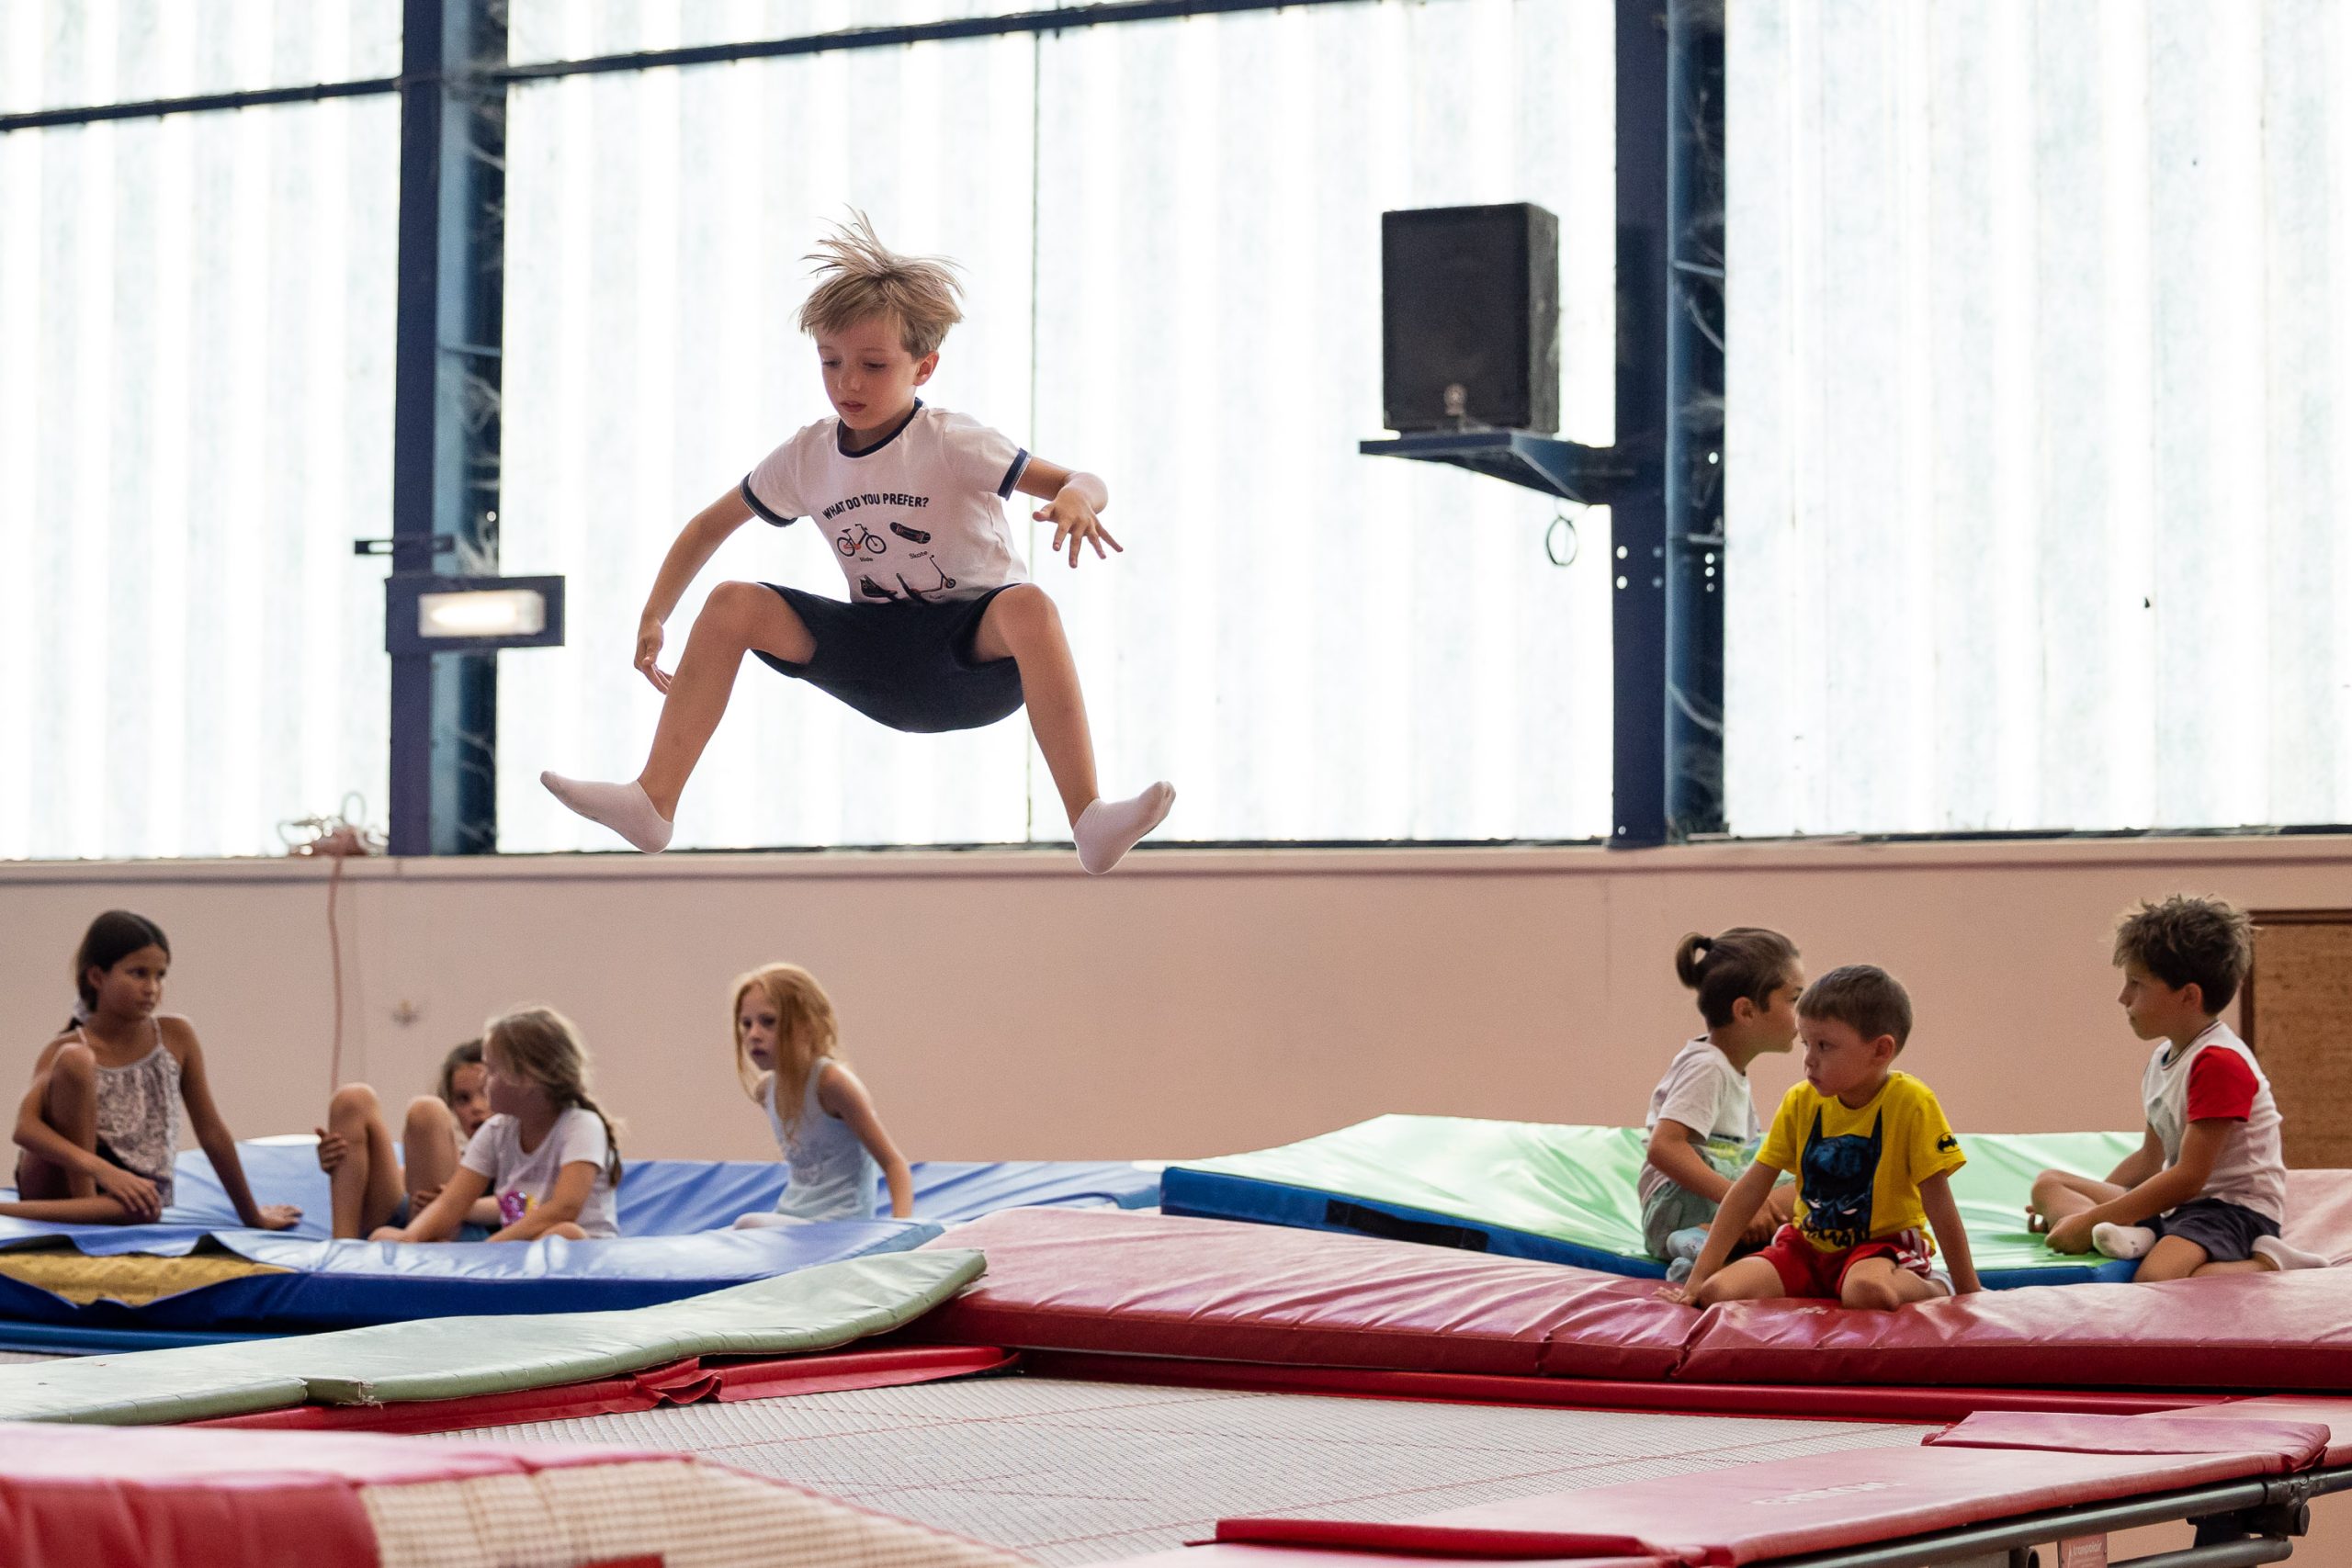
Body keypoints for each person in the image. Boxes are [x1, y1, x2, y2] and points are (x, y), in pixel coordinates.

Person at [540, 213, 1175, 874]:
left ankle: (1088, 818)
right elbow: (708, 526)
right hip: (879, 657)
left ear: (924, 367)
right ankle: (654, 800)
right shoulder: (808, 456)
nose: (848, 383)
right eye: (831, 362)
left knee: (1030, 606)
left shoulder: (951, 442)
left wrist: (1076, 497)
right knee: (733, 603)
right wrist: (655, 612)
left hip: (973, 662)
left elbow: (1080, 480)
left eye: (873, 366)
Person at [2027, 896, 2325, 1279]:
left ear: (2188, 996)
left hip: (2229, 1210)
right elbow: (2148, 1161)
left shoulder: (2219, 1063)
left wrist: (2090, 1220)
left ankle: (2267, 1262)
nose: (2123, 997)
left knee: (2156, 1280)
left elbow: (2188, 1178)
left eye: (2136, 984)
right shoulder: (2163, 1058)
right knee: (2049, 1184)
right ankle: (2133, 1235)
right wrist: (2088, 1213)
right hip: (2179, 1205)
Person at [1660, 964, 1980, 1310]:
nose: (1809, 1060)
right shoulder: (1801, 1101)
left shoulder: (1912, 1104)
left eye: (1825, 1046)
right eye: (1806, 1044)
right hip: (1806, 1246)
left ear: (1880, 1051)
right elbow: (1749, 1191)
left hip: (1879, 1248)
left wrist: (1969, 1290)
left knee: (1865, 1291)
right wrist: (1698, 1278)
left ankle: (1936, 1286)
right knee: (1716, 1293)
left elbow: (1939, 1204)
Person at [5, 910, 300, 1230]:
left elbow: (212, 1132)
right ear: (97, 977)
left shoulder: (177, 1037)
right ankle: (76, 1208)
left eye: (160, 976)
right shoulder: (67, 1047)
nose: (151, 987)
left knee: (146, 1207)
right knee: (76, 1059)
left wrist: (253, 1217)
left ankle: (88, 1212)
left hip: (127, 1192)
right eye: (138, 974)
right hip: (60, 1179)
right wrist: (101, 1170)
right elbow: (25, 1129)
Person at [373, 1007, 623, 1243]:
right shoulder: (496, 1131)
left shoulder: (580, 1126)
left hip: (582, 1256)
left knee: (566, 1233)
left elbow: (564, 1209)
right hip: (518, 1251)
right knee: (383, 1236)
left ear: (527, 1079)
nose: (483, 1079)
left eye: (492, 1071)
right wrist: (411, 1238)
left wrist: (491, 1248)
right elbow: (451, 1203)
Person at [1642, 929, 1802, 1274]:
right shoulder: (1708, 1066)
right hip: (1679, 1205)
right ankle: (1706, 1238)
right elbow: (1664, 1147)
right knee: (1815, 1191)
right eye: (1793, 999)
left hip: (1696, 1211)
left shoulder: (1727, 1069)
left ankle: (1700, 1257)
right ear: (1746, 1011)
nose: (1801, 1013)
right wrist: (1740, 1201)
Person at [727, 963, 913, 1227]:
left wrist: (901, 1228)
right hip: (793, 1219)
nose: (754, 1035)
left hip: (838, 1224)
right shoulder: (766, 1091)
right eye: (746, 1024)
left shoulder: (832, 1084)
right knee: (728, 1235)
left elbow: (894, 1164)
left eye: (768, 1022)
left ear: (806, 1024)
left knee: (746, 1225)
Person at [314, 1039, 503, 1240]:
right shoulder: (461, 1157)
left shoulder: (518, 1149)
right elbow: (404, 1178)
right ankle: (343, 1244)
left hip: (466, 1234)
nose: (476, 1107)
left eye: (485, 1092)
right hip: (416, 1218)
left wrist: (458, 1206)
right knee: (352, 1099)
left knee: (427, 1111)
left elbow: (524, 1205)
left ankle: (424, 1243)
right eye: (463, 1099)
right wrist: (344, 1162)